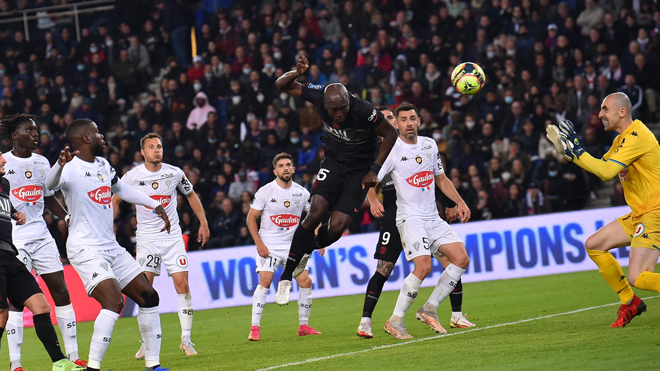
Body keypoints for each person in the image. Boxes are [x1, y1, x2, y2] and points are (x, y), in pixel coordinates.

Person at [45, 119, 171, 371]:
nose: (102, 136)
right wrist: (59, 165)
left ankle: (153, 365)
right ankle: (93, 367)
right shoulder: (69, 168)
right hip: (85, 248)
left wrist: (154, 204)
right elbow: (49, 187)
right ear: (85, 139)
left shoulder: (103, 164)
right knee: (114, 302)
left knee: (149, 297)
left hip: (110, 247)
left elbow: (122, 189)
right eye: (97, 133)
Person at [273, 53, 398, 305]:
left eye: (343, 108)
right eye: (334, 110)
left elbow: (391, 134)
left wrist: (374, 168)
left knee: (338, 226)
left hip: (359, 170)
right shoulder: (318, 95)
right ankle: (286, 278)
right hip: (333, 162)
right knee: (316, 211)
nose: (339, 114)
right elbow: (281, 85)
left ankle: (308, 249)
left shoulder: (363, 110)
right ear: (326, 105)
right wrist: (297, 73)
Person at [357, 107, 475, 338]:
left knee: (461, 259)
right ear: (397, 125)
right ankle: (395, 321)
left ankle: (429, 309)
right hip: (409, 217)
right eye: (403, 120)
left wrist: (459, 201)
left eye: (412, 118)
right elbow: (371, 181)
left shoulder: (430, 145)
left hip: (432, 216)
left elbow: (440, 178)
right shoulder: (390, 151)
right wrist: (371, 196)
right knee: (423, 267)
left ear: (419, 121)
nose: (408, 123)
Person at [546, 92, 660, 327]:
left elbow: (607, 172)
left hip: (655, 212)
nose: (600, 114)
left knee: (638, 276)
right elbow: (600, 166)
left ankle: (631, 297)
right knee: (594, 244)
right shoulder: (622, 140)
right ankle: (630, 302)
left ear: (622, 112)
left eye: (605, 109)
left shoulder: (637, 136)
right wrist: (570, 152)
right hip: (641, 213)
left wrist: (575, 152)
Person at [0, 114, 86, 370]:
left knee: (61, 291)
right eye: (30, 130)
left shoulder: (42, 162)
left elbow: (47, 197)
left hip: (41, 234)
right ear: (16, 135)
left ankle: (71, 356)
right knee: (16, 302)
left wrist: (67, 215)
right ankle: (16, 363)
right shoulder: (5, 163)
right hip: (14, 238)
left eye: (37, 130)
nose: (36, 134)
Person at [112, 133, 210, 357]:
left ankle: (186, 340)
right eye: (151, 147)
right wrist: (110, 225)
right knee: (145, 292)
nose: (157, 150)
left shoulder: (174, 173)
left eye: (159, 146)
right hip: (147, 240)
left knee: (182, 285)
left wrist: (203, 223)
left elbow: (192, 196)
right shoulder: (132, 176)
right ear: (143, 152)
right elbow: (115, 199)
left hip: (172, 237)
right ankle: (146, 342)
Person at [245, 152, 322, 341]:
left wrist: (319, 237)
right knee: (265, 281)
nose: (285, 168)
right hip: (269, 245)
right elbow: (250, 218)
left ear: (294, 169)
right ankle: (255, 328)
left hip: (292, 247)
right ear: (275, 171)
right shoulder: (266, 191)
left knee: (306, 281)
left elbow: (314, 215)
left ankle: (303, 325)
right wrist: (259, 244)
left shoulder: (302, 193)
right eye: (281, 166)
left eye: (288, 165)